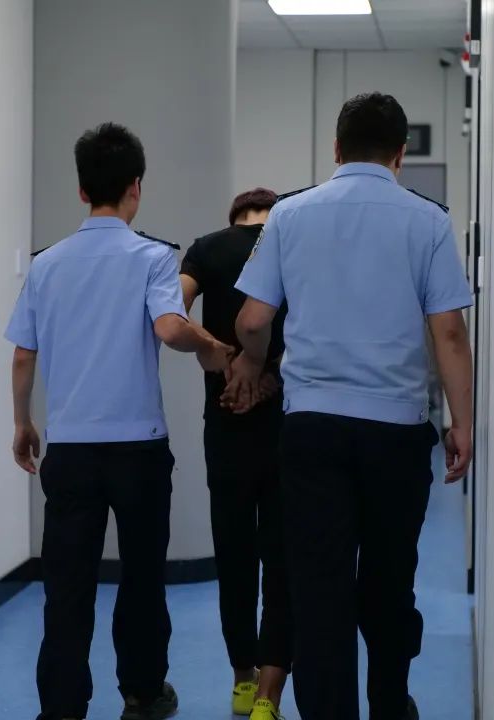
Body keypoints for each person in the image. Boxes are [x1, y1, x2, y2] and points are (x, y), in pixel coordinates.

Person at [224, 93, 475, 720]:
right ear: (400, 154)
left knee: (319, 588)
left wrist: (253, 361)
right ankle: (389, 703)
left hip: (312, 432)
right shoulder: (429, 222)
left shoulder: (288, 215)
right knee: (390, 582)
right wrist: (462, 423)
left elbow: (252, 319)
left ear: (336, 149)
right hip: (396, 431)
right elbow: (449, 333)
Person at [5, 122, 235, 720]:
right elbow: (169, 327)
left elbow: (24, 355)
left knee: (67, 585)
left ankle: (61, 707)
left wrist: (23, 423)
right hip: (138, 451)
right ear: (136, 187)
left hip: (71, 451)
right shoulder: (154, 257)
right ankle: (142, 692)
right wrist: (211, 347)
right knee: (141, 579)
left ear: (83, 190)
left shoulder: (46, 265)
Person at [179, 188, 292, 720]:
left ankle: (242, 679)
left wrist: (217, 353)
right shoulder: (290, 243)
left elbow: (169, 312)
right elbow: (317, 325)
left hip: (224, 422)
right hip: (286, 423)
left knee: (234, 555)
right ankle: (270, 694)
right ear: (273, 212)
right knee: (283, 559)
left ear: (235, 218)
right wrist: (269, 373)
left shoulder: (206, 248)